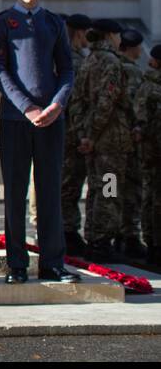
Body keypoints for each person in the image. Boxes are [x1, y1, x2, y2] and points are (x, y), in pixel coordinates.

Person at [0, 0, 78, 283]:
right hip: (16, 118)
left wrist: (57, 104)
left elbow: (66, 69)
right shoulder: (2, 23)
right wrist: (27, 107)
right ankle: (17, 264)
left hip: (51, 119)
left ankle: (52, 262)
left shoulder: (53, 23)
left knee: (49, 192)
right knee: (15, 191)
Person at [74, 19, 134, 262]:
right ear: (111, 36)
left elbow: (77, 101)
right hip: (109, 141)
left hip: (94, 139)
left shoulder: (88, 60)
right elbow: (106, 102)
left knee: (97, 189)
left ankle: (94, 237)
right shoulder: (111, 62)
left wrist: (83, 133)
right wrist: (93, 134)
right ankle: (102, 240)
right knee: (109, 188)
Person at [59, 12, 93, 256]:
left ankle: (67, 231)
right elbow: (79, 102)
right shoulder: (74, 60)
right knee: (70, 186)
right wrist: (83, 134)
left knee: (70, 185)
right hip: (72, 134)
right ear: (79, 33)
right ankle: (67, 233)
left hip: (67, 132)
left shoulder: (67, 58)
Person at [118, 29, 148, 260]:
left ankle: (115, 232)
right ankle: (126, 234)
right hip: (125, 142)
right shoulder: (132, 72)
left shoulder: (112, 65)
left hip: (114, 143)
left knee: (111, 187)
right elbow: (134, 105)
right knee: (129, 188)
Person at [135, 44, 161, 265]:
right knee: (109, 188)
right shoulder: (150, 87)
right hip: (149, 153)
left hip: (144, 151)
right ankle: (102, 240)